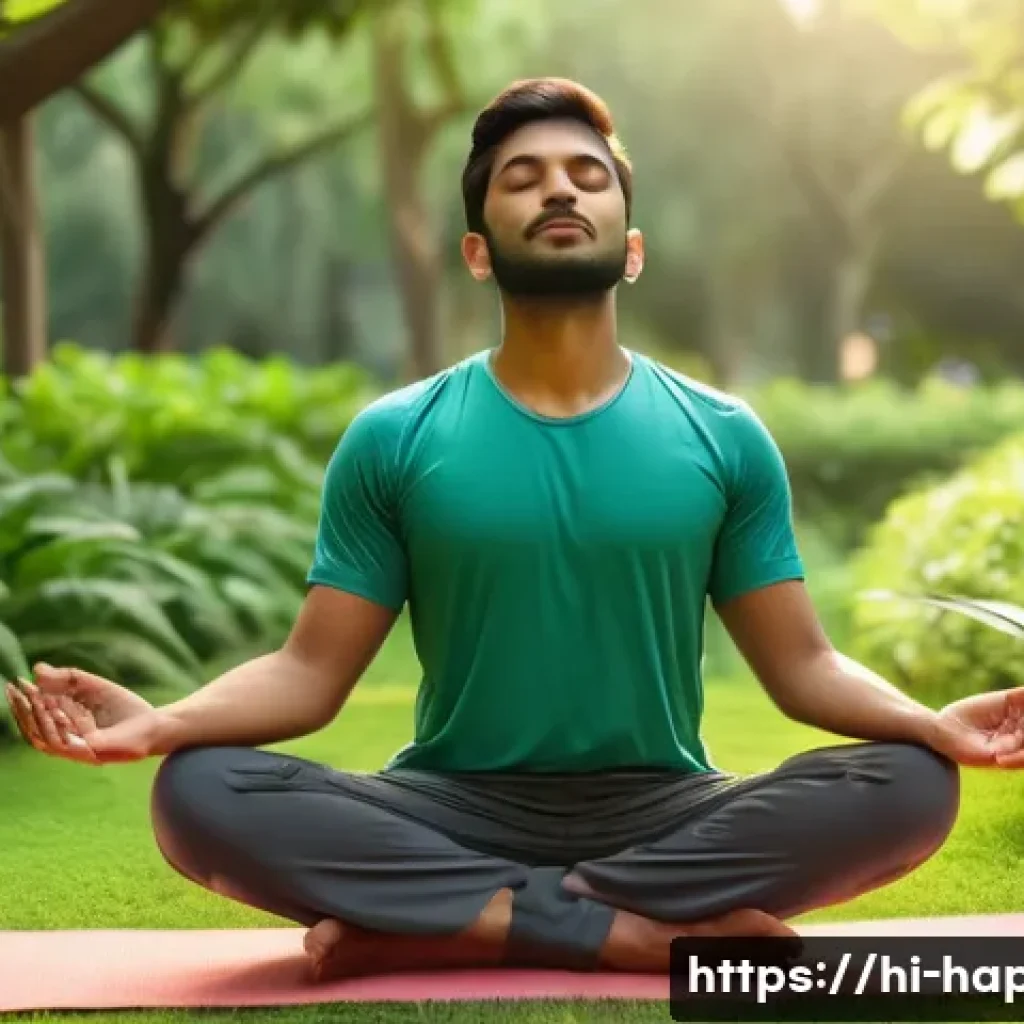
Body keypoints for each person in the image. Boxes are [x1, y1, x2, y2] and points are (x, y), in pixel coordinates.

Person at [6, 77, 1024, 984]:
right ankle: (620, 930)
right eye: (524, 177)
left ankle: (446, 921)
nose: (559, 190)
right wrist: (165, 723)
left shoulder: (722, 436)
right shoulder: (395, 437)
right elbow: (308, 676)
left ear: (629, 248)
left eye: (587, 174)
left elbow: (803, 665)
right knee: (201, 793)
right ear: (477, 250)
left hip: (665, 806)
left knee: (903, 782)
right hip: (446, 804)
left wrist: (929, 723)